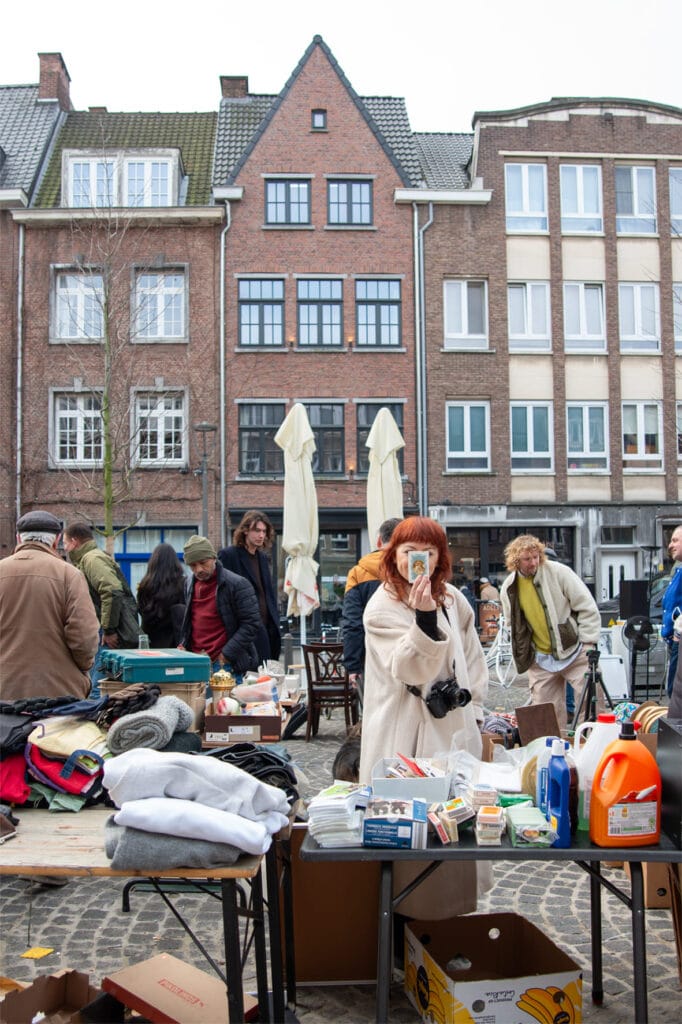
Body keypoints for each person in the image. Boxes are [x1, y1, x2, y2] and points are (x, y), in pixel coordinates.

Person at [360, 516, 491, 921]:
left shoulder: (452, 597)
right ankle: (402, 932)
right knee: (411, 840)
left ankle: (448, 930)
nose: (420, 560)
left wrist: (476, 711)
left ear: (440, 557)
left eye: (430, 552)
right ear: (393, 555)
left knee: (454, 832)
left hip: (453, 730)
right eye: (410, 552)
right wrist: (423, 618)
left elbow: (472, 657)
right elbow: (409, 669)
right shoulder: (381, 606)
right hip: (406, 735)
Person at [499, 533, 601, 733]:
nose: (533, 563)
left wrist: (589, 641)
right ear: (516, 561)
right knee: (544, 713)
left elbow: (586, 606)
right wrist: (526, 653)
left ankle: (590, 743)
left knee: (591, 698)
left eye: (536, 557)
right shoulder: (509, 587)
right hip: (541, 657)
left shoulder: (559, 572)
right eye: (527, 559)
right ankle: (552, 751)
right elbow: (513, 624)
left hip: (574, 648)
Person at [0, 510, 99, 701]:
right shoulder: (69, 575)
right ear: (56, 541)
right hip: (57, 693)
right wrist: (83, 667)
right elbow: (84, 638)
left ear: (18, 538)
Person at [63, 523, 141, 696]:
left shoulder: (91, 559)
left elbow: (112, 590)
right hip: (103, 629)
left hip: (106, 634)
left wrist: (109, 629)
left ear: (75, 542)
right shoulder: (90, 559)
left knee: (97, 688)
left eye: (66, 543)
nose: (65, 548)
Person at [178, 535, 261, 677]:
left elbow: (252, 623)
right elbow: (192, 621)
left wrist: (226, 655)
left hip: (226, 664)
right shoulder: (188, 584)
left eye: (203, 563)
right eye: (192, 565)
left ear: (213, 558)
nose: (198, 569)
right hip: (197, 662)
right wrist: (184, 644)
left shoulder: (237, 584)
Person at [342, 517, 401, 687]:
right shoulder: (408, 571)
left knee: (374, 710)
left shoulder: (358, 573)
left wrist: (352, 665)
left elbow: (352, 623)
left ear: (378, 541)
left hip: (370, 656)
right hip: (405, 654)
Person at [217, 511, 281, 664]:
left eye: (264, 531)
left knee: (265, 677)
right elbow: (221, 594)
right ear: (245, 530)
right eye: (257, 530)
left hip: (266, 628)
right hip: (244, 630)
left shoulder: (263, 558)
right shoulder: (229, 555)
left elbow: (267, 594)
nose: (261, 535)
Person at [136, 542, 187, 648]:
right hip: (175, 644)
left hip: (150, 643)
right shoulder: (183, 584)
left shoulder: (144, 586)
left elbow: (141, 612)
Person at [662, 525, 682, 698]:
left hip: (679, 641)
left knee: (676, 693)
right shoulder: (678, 572)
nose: (670, 545)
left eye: (675, 540)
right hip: (673, 642)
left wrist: (679, 634)